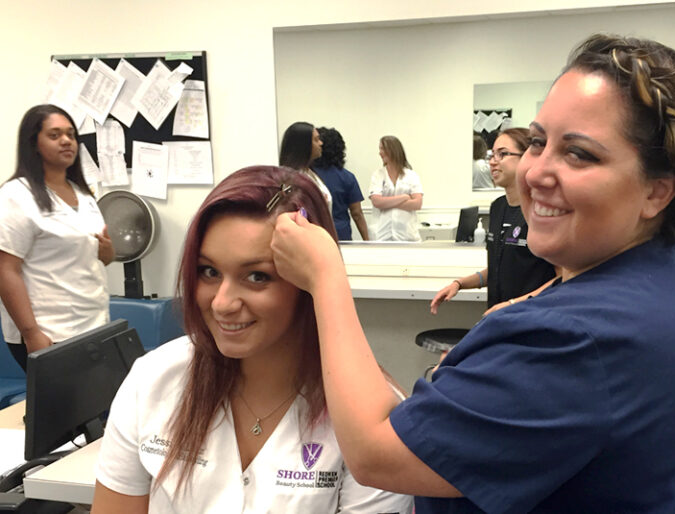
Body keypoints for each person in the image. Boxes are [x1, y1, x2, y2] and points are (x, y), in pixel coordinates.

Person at [272, 33, 675, 512]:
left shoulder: (579, 338)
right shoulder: (671, 270)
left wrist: (326, 278)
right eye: (538, 141)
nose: (534, 172)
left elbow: (375, 453)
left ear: (658, 192)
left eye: (579, 153)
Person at [91, 166, 412, 513]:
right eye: (209, 272)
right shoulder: (152, 381)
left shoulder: (370, 418)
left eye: (257, 276)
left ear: (305, 284)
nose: (222, 303)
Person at [0, 104, 114, 372]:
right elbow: (6, 270)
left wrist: (107, 251)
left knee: (90, 411)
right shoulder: (15, 196)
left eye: (71, 135)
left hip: (91, 325)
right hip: (49, 333)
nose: (66, 141)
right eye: (54, 135)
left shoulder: (83, 195)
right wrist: (31, 334)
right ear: (34, 144)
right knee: (60, 412)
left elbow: (100, 257)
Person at [431, 128, 556, 315]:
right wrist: (459, 283)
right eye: (492, 154)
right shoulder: (498, 207)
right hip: (500, 320)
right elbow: (501, 268)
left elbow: (563, 278)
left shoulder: (544, 210)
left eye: (503, 154)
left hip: (533, 321)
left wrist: (513, 304)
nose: (492, 162)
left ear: (527, 158)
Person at [312, 127, 369, 240]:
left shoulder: (307, 175)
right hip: (341, 234)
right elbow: (357, 213)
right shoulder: (347, 177)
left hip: (315, 233)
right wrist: (367, 240)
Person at [368, 135, 423, 241]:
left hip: (407, 236)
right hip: (382, 235)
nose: (380, 153)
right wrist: (404, 197)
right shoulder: (378, 175)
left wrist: (387, 203)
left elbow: (417, 203)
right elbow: (377, 202)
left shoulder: (412, 176)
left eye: (383, 149)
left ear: (393, 150)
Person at [279, 121, 333, 215]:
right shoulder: (293, 179)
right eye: (316, 140)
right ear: (303, 145)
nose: (321, 143)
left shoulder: (309, 172)